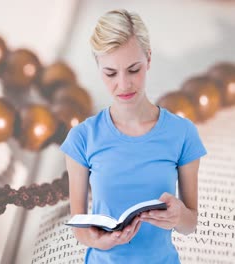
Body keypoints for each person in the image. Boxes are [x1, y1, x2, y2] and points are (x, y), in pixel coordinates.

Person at [59, 9, 207, 263]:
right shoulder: (82, 138)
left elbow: (190, 224)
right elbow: (79, 225)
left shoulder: (182, 133)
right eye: (111, 73)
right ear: (98, 68)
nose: (124, 84)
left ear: (148, 59)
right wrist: (97, 241)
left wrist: (179, 215)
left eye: (133, 69)